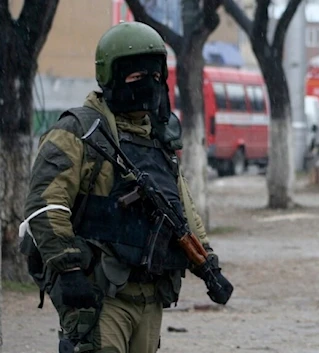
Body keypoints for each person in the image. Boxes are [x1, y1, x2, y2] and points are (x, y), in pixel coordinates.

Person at [19, 22, 233, 353]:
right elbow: (46, 207)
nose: (149, 85)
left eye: (155, 76)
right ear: (112, 76)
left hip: (151, 298)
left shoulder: (158, 140)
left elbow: (183, 213)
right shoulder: (77, 132)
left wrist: (210, 267)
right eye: (136, 77)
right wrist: (69, 269)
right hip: (102, 298)